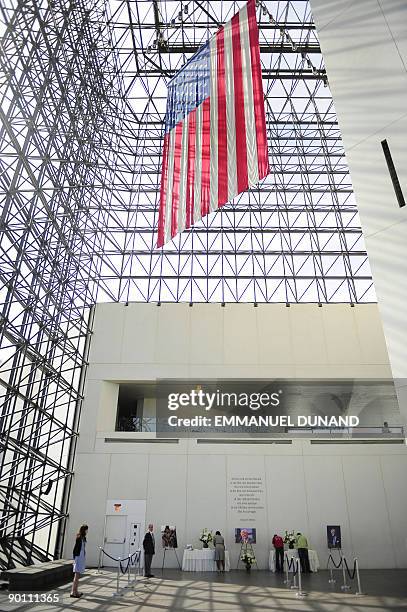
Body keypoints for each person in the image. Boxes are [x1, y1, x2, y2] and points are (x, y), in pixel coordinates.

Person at [71, 524, 88, 598]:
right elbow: (75, 549)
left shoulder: (83, 538)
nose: (87, 531)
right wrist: (75, 558)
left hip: (81, 557)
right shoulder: (79, 538)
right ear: (84, 530)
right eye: (86, 529)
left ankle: (74, 591)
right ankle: (74, 592)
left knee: (77, 575)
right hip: (78, 557)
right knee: (77, 575)